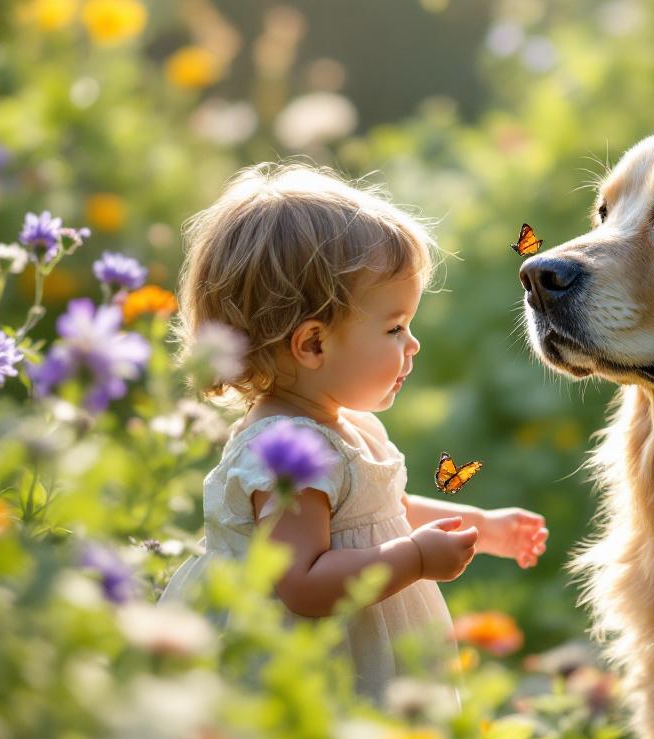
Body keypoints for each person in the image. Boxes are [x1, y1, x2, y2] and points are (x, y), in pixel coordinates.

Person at [160, 162, 548, 701]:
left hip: (361, 643)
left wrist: (482, 527)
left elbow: (378, 515)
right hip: (313, 671)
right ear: (313, 344)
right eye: (394, 328)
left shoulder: (346, 427)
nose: (411, 345)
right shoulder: (286, 454)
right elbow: (301, 583)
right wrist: (413, 560)